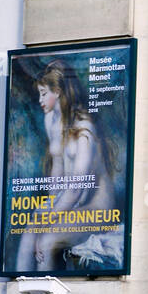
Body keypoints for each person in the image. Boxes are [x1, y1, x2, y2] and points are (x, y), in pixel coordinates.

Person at [15, 60, 118, 272]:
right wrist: (50, 207)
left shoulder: (84, 127)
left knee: (46, 241)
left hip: (95, 208)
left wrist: (51, 217)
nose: (41, 99)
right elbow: (58, 172)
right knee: (28, 234)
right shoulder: (51, 120)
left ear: (59, 92)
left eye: (44, 93)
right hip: (71, 202)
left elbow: (77, 186)